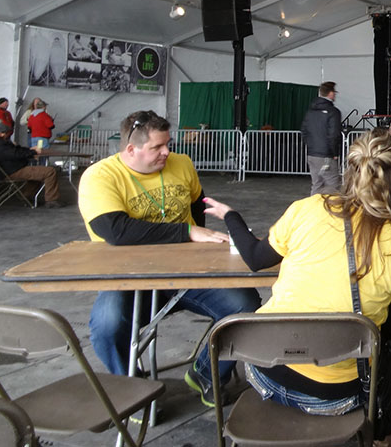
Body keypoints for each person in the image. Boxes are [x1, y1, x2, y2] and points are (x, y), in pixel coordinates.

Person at [202, 129, 391, 441]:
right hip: (339, 395)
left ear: (349, 169)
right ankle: (384, 439)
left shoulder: (307, 209)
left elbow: (255, 258)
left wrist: (231, 216)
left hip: (264, 372)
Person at [77, 110, 261, 406]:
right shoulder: (100, 176)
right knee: (107, 327)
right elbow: (115, 230)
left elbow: (196, 205)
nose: (167, 152)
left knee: (245, 306)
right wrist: (186, 232)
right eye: (157, 147)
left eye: (168, 144)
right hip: (128, 278)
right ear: (131, 149)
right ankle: (132, 388)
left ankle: (206, 373)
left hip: (188, 272)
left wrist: (197, 237)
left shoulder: (182, 163)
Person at [0, 121, 62, 207]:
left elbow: (15, 151)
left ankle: (27, 197)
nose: (8, 135)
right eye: (7, 134)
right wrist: (33, 152)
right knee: (50, 171)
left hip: (7, 171)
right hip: (13, 171)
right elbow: (16, 154)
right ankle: (51, 200)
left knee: (38, 174)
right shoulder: (0, 145)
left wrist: (30, 150)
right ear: (2, 134)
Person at [300, 81, 342, 194]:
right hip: (326, 155)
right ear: (331, 93)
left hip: (312, 154)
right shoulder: (333, 112)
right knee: (334, 187)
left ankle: (313, 205)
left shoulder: (310, 112)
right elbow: (334, 135)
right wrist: (334, 153)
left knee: (316, 185)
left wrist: (311, 146)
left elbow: (304, 131)